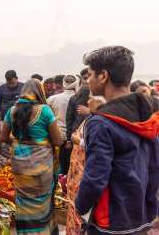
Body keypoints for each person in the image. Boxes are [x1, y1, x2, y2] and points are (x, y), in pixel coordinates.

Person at [75, 46, 159, 235]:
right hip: (143, 212)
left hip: (112, 220)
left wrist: (80, 207)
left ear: (103, 76)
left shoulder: (100, 123)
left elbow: (95, 178)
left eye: (89, 75)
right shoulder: (151, 110)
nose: (88, 81)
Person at [0, 79, 63, 235]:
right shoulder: (45, 111)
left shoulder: (11, 111)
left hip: (20, 170)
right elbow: (58, 141)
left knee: (23, 203)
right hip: (42, 170)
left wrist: (19, 143)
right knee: (43, 202)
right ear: (39, 92)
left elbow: (3, 138)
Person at [66, 95, 106, 235]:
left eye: (91, 99)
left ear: (100, 102)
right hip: (78, 168)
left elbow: (95, 144)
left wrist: (77, 140)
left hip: (84, 169)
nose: (88, 102)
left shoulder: (99, 121)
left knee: (80, 207)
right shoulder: (93, 118)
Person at [47, 75, 80, 175]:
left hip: (57, 136)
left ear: (63, 84)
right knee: (74, 167)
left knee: (59, 166)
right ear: (77, 84)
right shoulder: (80, 99)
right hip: (76, 137)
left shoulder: (52, 99)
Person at [0, 70, 24, 159]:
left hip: (19, 119)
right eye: (9, 83)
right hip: (5, 119)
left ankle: (19, 159)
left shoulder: (24, 87)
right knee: (4, 141)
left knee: (18, 140)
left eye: (13, 83)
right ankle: (7, 161)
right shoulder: (2, 88)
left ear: (17, 79)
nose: (11, 85)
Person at [65, 85, 91, 154]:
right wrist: (69, 139)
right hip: (80, 133)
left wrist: (68, 140)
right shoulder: (74, 99)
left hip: (77, 134)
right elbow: (69, 119)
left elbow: (69, 119)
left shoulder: (74, 98)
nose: (88, 101)